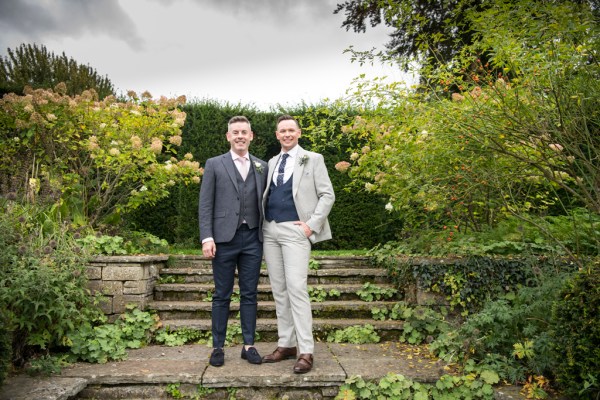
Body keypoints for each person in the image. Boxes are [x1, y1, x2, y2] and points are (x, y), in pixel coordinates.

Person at [261, 115, 335, 374]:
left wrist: (310, 225)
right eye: (282, 131)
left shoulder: (313, 159)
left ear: (299, 133)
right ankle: (286, 344)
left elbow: (327, 194)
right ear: (277, 134)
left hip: (296, 230)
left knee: (296, 289)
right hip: (270, 230)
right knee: (279, 290)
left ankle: (306, 350)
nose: (287, 134)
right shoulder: (271, 162)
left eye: (291, 130)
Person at [199, 115, 268, 367]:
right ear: (228, 136)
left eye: (244, 132)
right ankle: (218, 347)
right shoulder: (215, 164)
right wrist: (207, 236)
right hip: (223, 239)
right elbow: (205, 203)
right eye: (235, 132)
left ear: (251, 136)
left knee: (250, 294)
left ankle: (248, 345)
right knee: (221, 295)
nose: (240, 136)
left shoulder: (262, 166)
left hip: (252, 238)